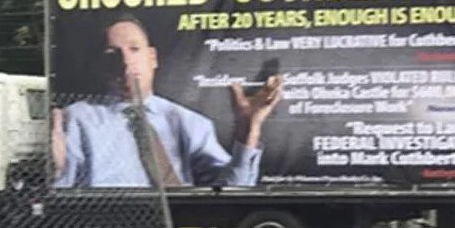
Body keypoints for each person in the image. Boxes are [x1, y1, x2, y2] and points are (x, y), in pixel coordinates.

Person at [51, 14, 283, 188]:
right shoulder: (78, 119)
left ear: (153, 58)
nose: (125, 62)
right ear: (100, 66)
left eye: (134, 49)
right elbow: (63, 192)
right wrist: (56, 169)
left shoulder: (190, 124)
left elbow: (233, 190)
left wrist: (249, 129)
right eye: (112, 53)